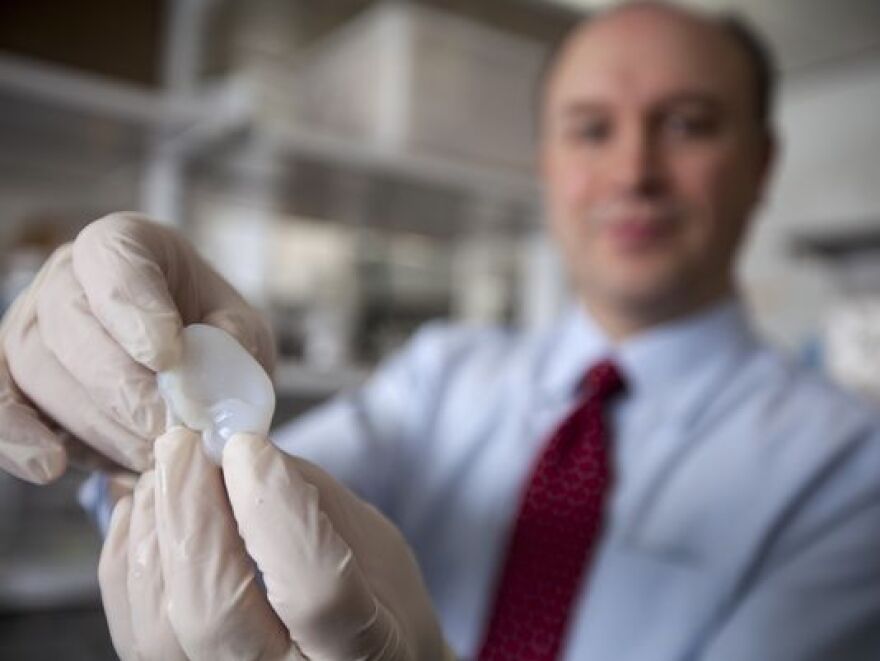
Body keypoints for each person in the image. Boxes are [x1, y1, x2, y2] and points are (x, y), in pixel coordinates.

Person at [1, 1, 879, 659]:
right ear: (545, 163)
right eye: (590, 129)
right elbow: (245, 503)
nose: (633, 170)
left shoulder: (853, 471)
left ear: (761, 163)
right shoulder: (445, 372)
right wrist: (141, 402)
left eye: (687, 124)